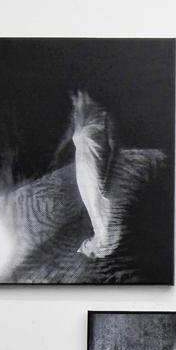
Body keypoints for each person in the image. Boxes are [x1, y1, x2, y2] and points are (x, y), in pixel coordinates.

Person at [67, 90, 119, 259]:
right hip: (83, 169)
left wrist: (107, 176)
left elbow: (115, 148)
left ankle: (101, 246)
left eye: (75, 97)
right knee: (93, 205)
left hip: (94, 166)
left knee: (97, 204)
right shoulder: (78, 116)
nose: (74, 101)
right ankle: (99, 245)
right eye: (72, 98)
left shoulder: (104, 115)